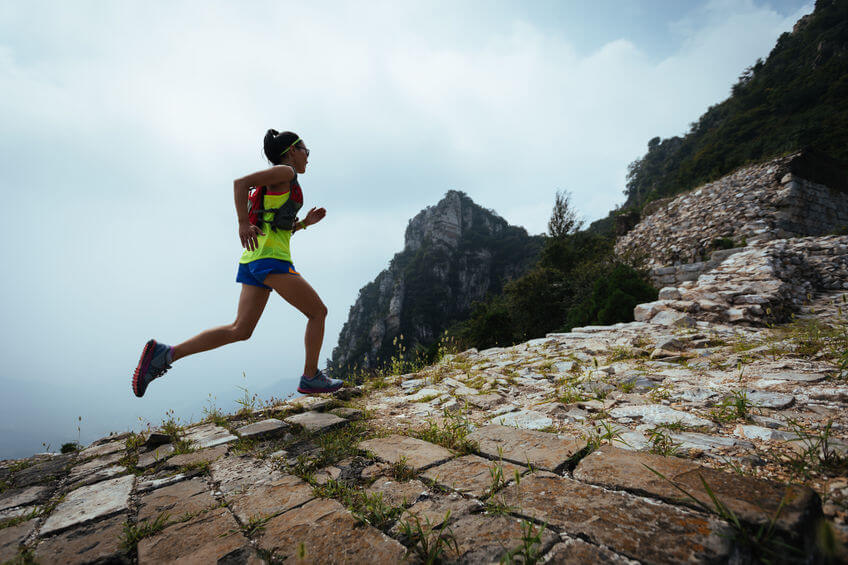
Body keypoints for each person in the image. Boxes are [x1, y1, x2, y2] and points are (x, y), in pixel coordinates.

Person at [132, 130, 343, 398]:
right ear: (292, 151)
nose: (308, 158)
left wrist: (303, 224)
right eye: (306, 151)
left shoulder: (282, 179)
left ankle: (166, 354)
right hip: (270, 261)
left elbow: (274, 228)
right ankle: (311, 377)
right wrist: (242, 223)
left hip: (254, 259)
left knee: (240, 329)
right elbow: (240, 183)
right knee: (318, 312)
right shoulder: (286, 172)